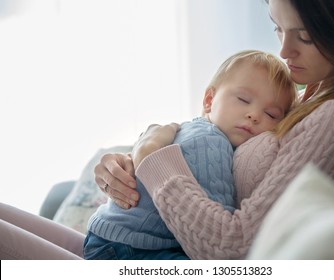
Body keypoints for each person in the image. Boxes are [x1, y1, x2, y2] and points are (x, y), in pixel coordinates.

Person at [0, 0, 334, 260]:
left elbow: (235, 248)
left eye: (304, 36)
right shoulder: (321, 88)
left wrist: (152, 155)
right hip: (142, 236)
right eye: (277, 29)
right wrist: (144, 144)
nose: (285, 53)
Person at [83, 50, 297, 260]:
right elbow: (213, 225)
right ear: (209, 100)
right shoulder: (211, 141)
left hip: (110, 236)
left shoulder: (192, 130)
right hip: (130, 247)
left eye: (271, 114)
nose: (254, 115)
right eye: (243, 99)